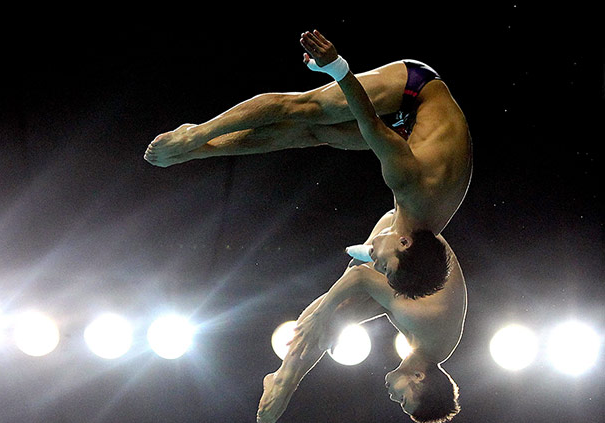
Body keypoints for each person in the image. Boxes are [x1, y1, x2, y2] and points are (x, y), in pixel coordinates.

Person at [144, 30, 473, 299]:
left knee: (314, 135)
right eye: (383, 266)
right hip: (417, 91)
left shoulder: (421, 234)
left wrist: (370, 253)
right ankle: (194, 135)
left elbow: (377, 251)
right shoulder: (408, 183)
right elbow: (368, 121)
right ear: (404, 242)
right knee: (304, 109)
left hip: (412, 131)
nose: (377, 264)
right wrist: (337, 67)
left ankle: (201, 152)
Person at [256, 209, 467, 423]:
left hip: (410, 253)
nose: (394, 398)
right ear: (418, 376)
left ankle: (285, 379)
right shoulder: (422, 322)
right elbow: (360, 277)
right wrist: (321, 316)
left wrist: (339, 324)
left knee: (339, 320)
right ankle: (284, 380)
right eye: (403, 400)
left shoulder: (430, 345)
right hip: (400, 236)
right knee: (337, 312)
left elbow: (385, 305)